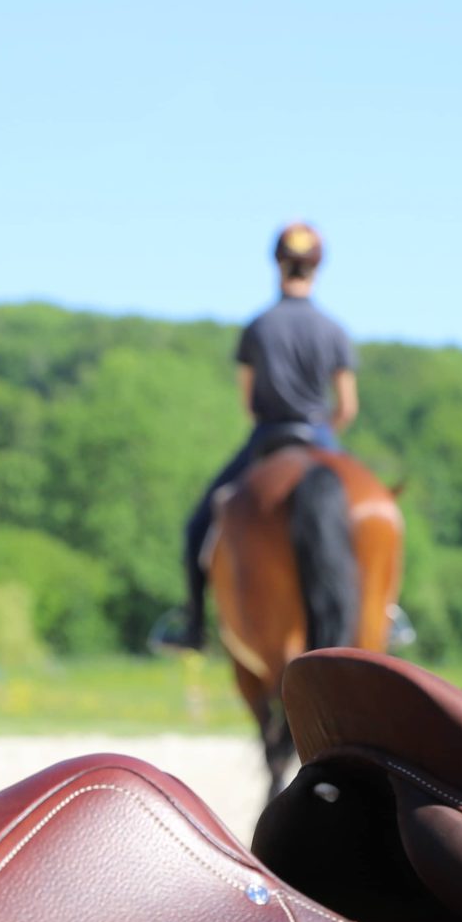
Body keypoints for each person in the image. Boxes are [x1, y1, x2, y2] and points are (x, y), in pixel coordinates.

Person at [178, 221, 359, 651]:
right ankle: (389, 616)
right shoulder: (333, 330)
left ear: (278, 265)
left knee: (198, 528)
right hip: (319, 437)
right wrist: (325, 432)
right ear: (317, 268)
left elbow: (247, 401)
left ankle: (193, 624)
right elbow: (348, 406)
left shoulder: (258, 327)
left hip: (269, 436)